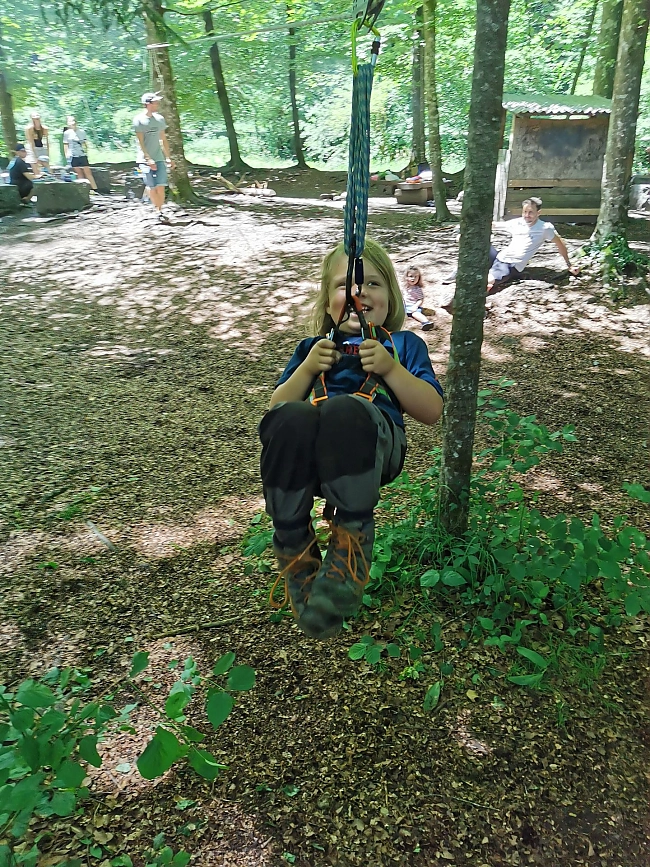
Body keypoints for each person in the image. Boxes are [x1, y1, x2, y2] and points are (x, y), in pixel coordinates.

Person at [259, 239, 444, 641]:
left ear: (391, 297)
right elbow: (275, 410)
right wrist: (307, 369)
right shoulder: (312, 348)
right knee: (289, 417)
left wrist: (391, 370)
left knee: (345, 410)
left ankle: (351, 541)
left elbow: (432, 410)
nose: (360, 293)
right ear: (328, 303)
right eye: (346, 285)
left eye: (373, 283)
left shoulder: (403, 345)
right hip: (316, 458)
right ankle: (293, 542)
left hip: (374, 449)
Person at [487, 197, 580, 290]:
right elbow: (494, 225)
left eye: (530, 212)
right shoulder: (518, 222)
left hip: (510, 264)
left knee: (489, 280)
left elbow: (560, 244)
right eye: (525, 212)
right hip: (499, 257)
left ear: (538, 213)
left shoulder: (545, 228)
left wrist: (569, 265)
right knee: (482, 246)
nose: (527, 215)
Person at [133, 92, 174, 220]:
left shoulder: (159, 119)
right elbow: (140, 142)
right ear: (147, 104)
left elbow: (163, 139)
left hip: (159, 158)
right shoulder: (139, 120)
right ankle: (156, 209)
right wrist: (148, 159)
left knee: (161, 186)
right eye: (155, 102)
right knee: (152, 187)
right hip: (144, 160)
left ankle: (159, 211)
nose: (157, 104)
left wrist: (168, 157)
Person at [62, 115, 97, 191]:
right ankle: (84, 190)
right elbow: (65, 145)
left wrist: (86, 151)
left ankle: (95, 189)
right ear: (68, 123)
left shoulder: (82, 132)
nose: (73, 122)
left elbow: (84, 143)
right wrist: (67, 155)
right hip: (72, 155)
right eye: (70, 121)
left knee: (88, 172)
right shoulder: (66, 133)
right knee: (78, 173)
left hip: (82, 154)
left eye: (74, 120)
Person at [402, 266, 434, 331]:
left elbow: (421, 299)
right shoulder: (405, 287)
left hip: (412, 306)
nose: (413, 278)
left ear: (419, 278)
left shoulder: (417, 289)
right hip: (404, 306)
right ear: (406, 277)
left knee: (415, 314)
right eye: (411, 276)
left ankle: (426, 322)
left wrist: (415, 306)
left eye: (416, 276)